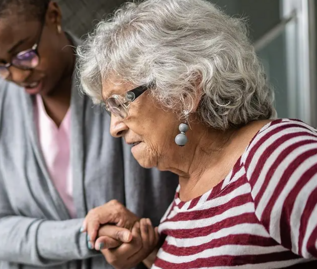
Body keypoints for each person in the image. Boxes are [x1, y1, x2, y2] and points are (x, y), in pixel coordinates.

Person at [76, 0, 317, 268]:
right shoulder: (185, 195)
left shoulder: (276, 153)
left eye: (121, 103)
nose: (114, 128)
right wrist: (150, 251)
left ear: (186, 91)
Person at [0, 0, 178, 268]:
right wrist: (89, 236)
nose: (17, 75)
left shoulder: (124, 78)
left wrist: (142, 244)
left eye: (23, 55)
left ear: (53, 15)